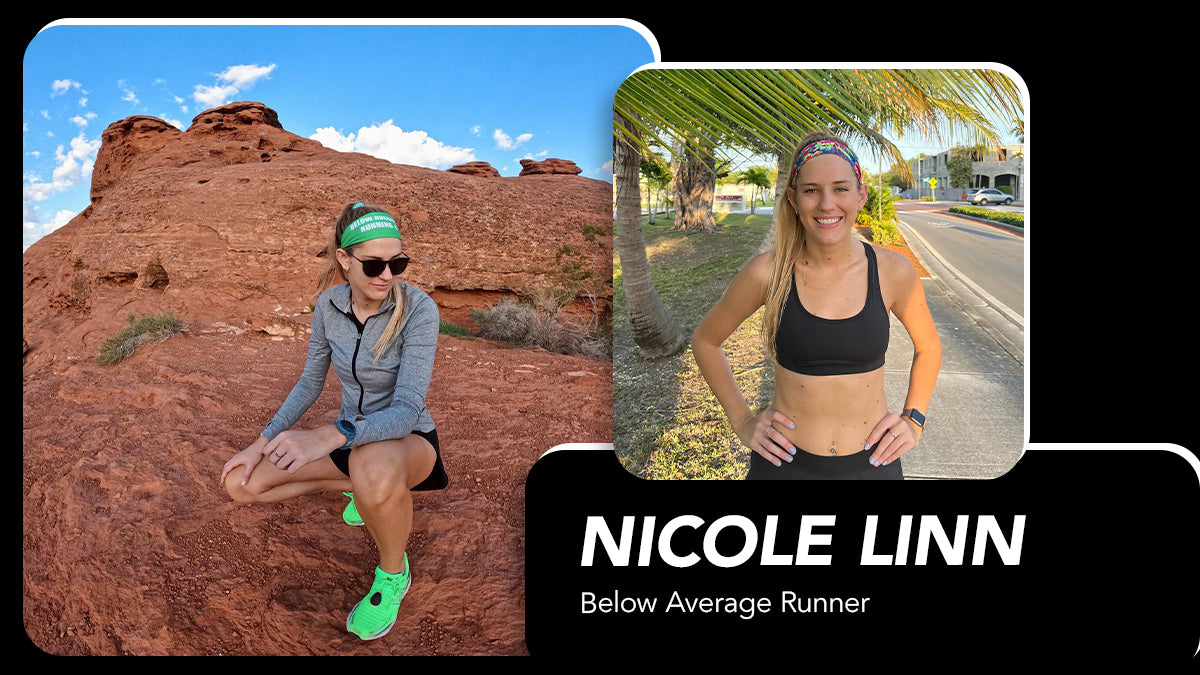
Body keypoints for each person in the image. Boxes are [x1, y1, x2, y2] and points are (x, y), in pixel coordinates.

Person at [219, 201, 448, 640]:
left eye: (397, 262)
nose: (387, 275)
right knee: (241, 485)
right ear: (344, 260)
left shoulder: (419, 310)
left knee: (371, 466)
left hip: (407, 440)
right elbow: (310, 382)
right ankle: (366, 494)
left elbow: (405, 408)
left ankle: (392, 575)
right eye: (374, 264)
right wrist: (258, 442)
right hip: (350, 441)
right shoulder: (328, 306)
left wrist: (332, 433)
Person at [692, 133, 941, 480]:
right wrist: (743, 421)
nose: (826, 204)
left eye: (840, 188)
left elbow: (928, 347)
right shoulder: (768, 272)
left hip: (873, 466)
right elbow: (705, 341)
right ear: (793, 199)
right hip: (784, 466)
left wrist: (913, 420)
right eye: (811, 190)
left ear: (861, 195)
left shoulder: (893, 271)